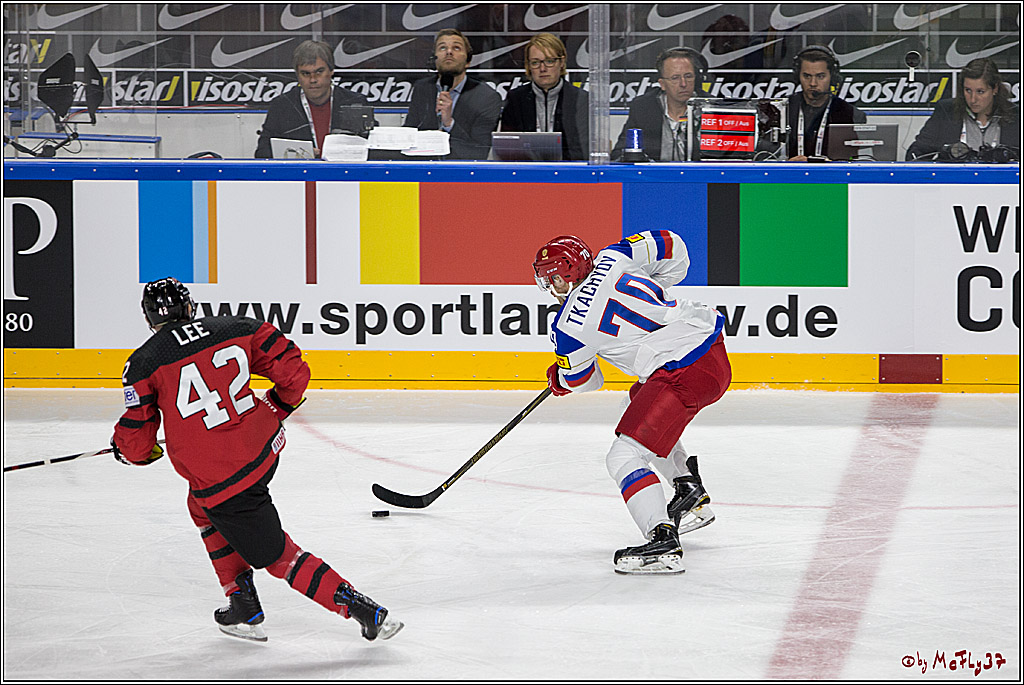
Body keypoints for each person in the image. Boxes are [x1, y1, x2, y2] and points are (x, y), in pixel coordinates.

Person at [111, 277, 403, 643]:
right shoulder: (236, 326)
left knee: (278, 555)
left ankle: (362, 609)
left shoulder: (142, 362)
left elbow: (138, 442)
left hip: (223, 475)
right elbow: (295, 373)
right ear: (189, 307)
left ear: (149, 317)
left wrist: (128, 451)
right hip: (263, 446)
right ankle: (241, 603)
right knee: (200, 505)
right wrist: (277, 406)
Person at [533, 232, 731, 575]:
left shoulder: (567, 326)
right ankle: (688, 491)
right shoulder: (613, 255)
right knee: (641, 398)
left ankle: (661, 538)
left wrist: (561, 379)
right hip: (709, 349)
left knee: (623, 455)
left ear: (565, 275)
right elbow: (675, 245)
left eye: (552, 278)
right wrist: (656, 284)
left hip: (683, 370)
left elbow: (586, 382)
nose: (550, 287)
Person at [255, 40, 371, 158]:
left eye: (319, 72)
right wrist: (299, 153)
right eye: (305, 73)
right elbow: (262, 153)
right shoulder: (281, 106)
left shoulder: (355, 102)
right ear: (297, 75)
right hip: (299, 174)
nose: (313, 79)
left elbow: (372, 148)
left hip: (343, 174)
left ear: (331, 71)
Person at [404, 28, 502, 160]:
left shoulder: (487, 97)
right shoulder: (422, 88)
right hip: (422, 169)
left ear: (468, 61)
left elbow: (480, 150)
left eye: (456, 48)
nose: (449, 52)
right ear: (434, 59)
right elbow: (409, 133)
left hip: (463, 173)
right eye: (442, 48)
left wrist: (449, 123)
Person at [906, 58, 1020, 161]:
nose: (973, 99)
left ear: (995, 89)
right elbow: (915, 154)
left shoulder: (1016, 116)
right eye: (968, 90)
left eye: (980, 91)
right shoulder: (946, 111)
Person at [499, 32, 589, 161]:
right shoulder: (516, 98)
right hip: (526, 172)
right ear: (528, 66)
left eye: (549, 61)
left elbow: (583, 149)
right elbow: (507, 148)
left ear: (562, 62)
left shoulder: (580, 99)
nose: (543, 68)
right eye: (535, 62)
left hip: (568, 173)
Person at [611, 47, 709, 162]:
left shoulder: (710, 109)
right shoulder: (643, 108)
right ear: (662, 84)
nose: (683, 83)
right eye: (675, 78)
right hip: (653, 178)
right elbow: (620, 153)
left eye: (688, 76)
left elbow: (724, 158)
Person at [785, 45, 866, 161]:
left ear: (832, 77)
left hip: (833, 177)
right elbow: (767, 155)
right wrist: (784, 164)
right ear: (798, 76)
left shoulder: (851, 114)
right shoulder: (782, 110)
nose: (813, 83)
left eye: (820, 76)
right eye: (806, 76)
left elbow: (858, 161)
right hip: (789, 177)